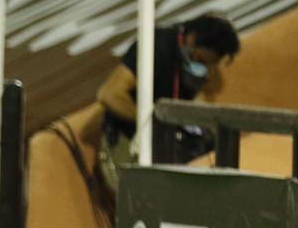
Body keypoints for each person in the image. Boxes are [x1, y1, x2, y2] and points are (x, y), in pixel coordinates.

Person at [95, 13, 240, 191]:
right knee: (138, 195)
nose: (202, 68)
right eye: (200, 60)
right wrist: (150, 121)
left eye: (208, 65)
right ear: (192, 38)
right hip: (128, 135)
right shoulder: (154, 48)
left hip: (166, 133)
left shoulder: (193, 62)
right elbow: (109, 94)